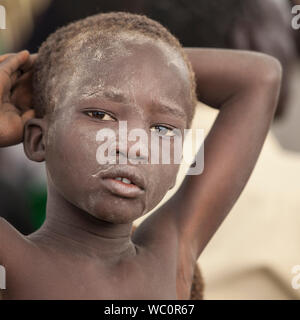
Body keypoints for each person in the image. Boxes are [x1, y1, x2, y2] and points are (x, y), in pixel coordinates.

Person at [0, 12, 281, 299]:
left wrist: (89, 60)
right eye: (101, 115)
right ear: (38, 140)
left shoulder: (171, 259)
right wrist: (69, 63)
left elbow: (261, 77)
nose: (135, 147)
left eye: (162, 129)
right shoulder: (12, 262)